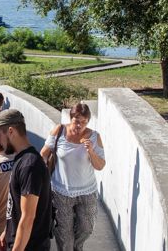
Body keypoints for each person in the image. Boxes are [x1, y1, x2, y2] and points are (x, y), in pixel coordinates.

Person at [40, 103, 105, 251]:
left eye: (84, 122)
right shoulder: (59, 131)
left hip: (87, 192)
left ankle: (77, 247)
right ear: (71, 118)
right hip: (61, 192)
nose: (80, 125)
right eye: (77, 121)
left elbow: (100, 166)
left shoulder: (95, 137)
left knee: (86, 228)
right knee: (64, 235)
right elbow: (43, 154)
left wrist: (91, 151)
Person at [0, 109, 53, 251]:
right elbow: (16, 205)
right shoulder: (21, 158)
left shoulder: (30, 165)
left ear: (11, 131)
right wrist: (7, 231)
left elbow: (28, 217)